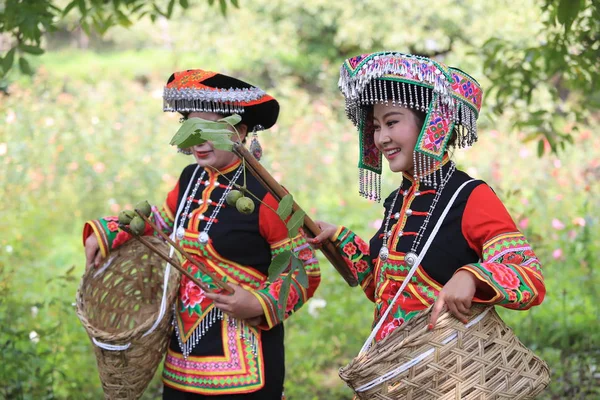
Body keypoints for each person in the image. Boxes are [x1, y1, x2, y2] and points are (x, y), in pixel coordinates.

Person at [83, 69, 321, 399]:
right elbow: (160, 227)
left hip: (246, 363)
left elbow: (304, 271)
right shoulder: (189, 180)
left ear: (238, 130)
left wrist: (255, 301)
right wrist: (109, 232)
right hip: (183, 356)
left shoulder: (270, 197)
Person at [312, 51, 545, 342]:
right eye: (375, 127)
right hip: (388, 368)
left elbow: (530, 278)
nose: (381, 138)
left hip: (446, 372)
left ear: (431, 126)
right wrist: (339, 239)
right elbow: (381, 288)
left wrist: (471, 276)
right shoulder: (397, 200)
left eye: (392, 122)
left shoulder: (471, 196)